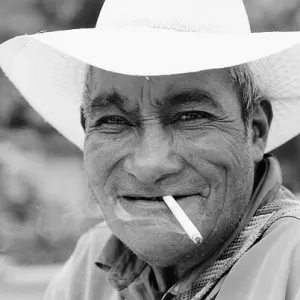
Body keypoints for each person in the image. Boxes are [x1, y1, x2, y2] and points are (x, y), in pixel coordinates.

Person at [1, 0, 300, 299]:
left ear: (255, 131)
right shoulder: (89, 271)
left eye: (191, 117)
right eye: (114, 121)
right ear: (86, 129)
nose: (149, 166)